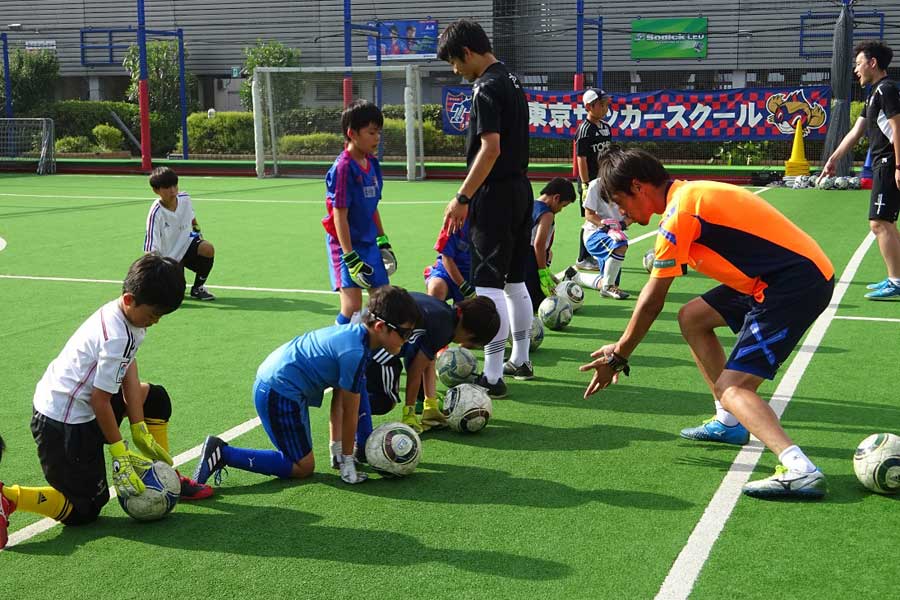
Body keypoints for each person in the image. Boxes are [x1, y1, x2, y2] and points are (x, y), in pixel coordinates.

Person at [580, 148, 835, 499]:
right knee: (693, 317)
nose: (620, 212)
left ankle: (798, 467)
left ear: (638, 187)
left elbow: (653, 300)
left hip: (793, 284)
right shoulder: (686, 195)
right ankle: (728, 421)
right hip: (776, 277)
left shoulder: (679, 214)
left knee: (736, 387)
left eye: (620, 200)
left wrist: (619, 354)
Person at [0, 254, 209, 549]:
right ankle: (9, 497)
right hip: (63, 422)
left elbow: (129, 366)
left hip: (88, 407)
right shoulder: (115, 334)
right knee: (86, 509)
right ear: (129, 299)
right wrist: (119, 451)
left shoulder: (130, 317)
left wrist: (138, 425)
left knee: (156, 399)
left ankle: (161, 474)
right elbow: (100, 401)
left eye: (161, 316)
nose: (155, 321)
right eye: (153, 314)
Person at [192, 286, 421, 487]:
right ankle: (223, 453)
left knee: (303, 460)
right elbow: (350, 412)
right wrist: (348, 460)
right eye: (405, 333)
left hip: (281, 385)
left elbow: (339, 398)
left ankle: (223, 452)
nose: (407, 339)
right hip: (278, 390)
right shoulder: (355, 352)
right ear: (381, 326)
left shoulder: (360, 332)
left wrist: (337, 449)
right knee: (303, 467)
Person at [438, 19, 534, 399]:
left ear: (467, 53)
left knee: (489, 286)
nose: (456, 71)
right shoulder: (512, 80)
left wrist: (462, 197)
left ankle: (494, 376)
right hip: (521, 190)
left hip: (494, 196)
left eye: (454, 63)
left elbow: (489, 148)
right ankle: (521, 358)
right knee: (514, 281)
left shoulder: (484, 87)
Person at [356, 294, 500, 439]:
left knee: (364, 386)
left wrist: (430, 404)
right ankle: (351, 411)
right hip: (375, 344)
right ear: (470, 332)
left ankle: (351, 403)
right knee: (385, 402)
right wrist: (409, 412)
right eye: (471, 343)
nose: (465, 345)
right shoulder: (445, 329)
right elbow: (415, 370)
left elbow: (428, 361)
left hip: (361, 326)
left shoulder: (445, 311)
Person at [822, 40, 900, 300]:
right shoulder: (873, 93)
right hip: (882, 164)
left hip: (889, 164)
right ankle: (895, 277)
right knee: (884, 222)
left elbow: (898, 128)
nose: (856, 70)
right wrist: (833, 158)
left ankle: (896, 280)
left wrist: (899, 165)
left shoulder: (886, 90)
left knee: (879, 222)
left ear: (872, 63)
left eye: (858, 64)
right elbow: (857, 131)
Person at [322, 99, 397, 324]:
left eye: (379, 132)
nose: (377, 138)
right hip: (345, 246)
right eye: (371, 132)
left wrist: (383, 240)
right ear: (352, 133)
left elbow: (372, 207)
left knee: (383, 301)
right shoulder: (343, 168)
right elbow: (340, 215)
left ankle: (370, 349)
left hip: (369, 242)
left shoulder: (372, 164)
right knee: (352, 307)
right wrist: (349, 256)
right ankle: (335, 346)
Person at [145, 166, 216, 301]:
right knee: (176, 296)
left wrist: (197, 231)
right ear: (156, 190)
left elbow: (192, 217)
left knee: (207, 248)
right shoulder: (155, 213)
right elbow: (150, 249)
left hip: (186, 245)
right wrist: (156, 272)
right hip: (168, 257)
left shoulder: (185, 198)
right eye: (167, 187)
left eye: (174, 185)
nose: (172, 190)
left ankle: (198, 288)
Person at [524, 177, 576, 315]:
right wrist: (543, 273)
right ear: (556, 198)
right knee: (541, 303)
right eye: (563, 206)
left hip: (519, 255)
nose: (561, 210)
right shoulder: (547, 214)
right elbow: (539, 244)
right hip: (530, 260)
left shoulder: (530, 204)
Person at [574, 88, 613, 271]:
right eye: (602, 104)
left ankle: (600, 252)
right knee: (590, 219)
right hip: (589, 182)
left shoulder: (606, 127)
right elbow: (580, 158)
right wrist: (585, 183)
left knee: (602, 217)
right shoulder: (584, 130)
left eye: (606, 104)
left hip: (604, 180)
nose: (605, 108)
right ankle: (583, 258)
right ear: (589, 106)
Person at [581, 176, 632, 300]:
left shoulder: (628, 185)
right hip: (594, 233)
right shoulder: (595, 185)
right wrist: (606, 227)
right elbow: (589, 215)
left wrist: (622, 224)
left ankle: (575, 277)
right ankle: (607, 287)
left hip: (615, 233)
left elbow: (632, 215)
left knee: (609, 280)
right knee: (620, 244)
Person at [424, 218, 474, 303]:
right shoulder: (456, 218)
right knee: (437, 287)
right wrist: (465, 288)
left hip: (476, 277)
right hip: (447, 273)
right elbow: (447, 258)